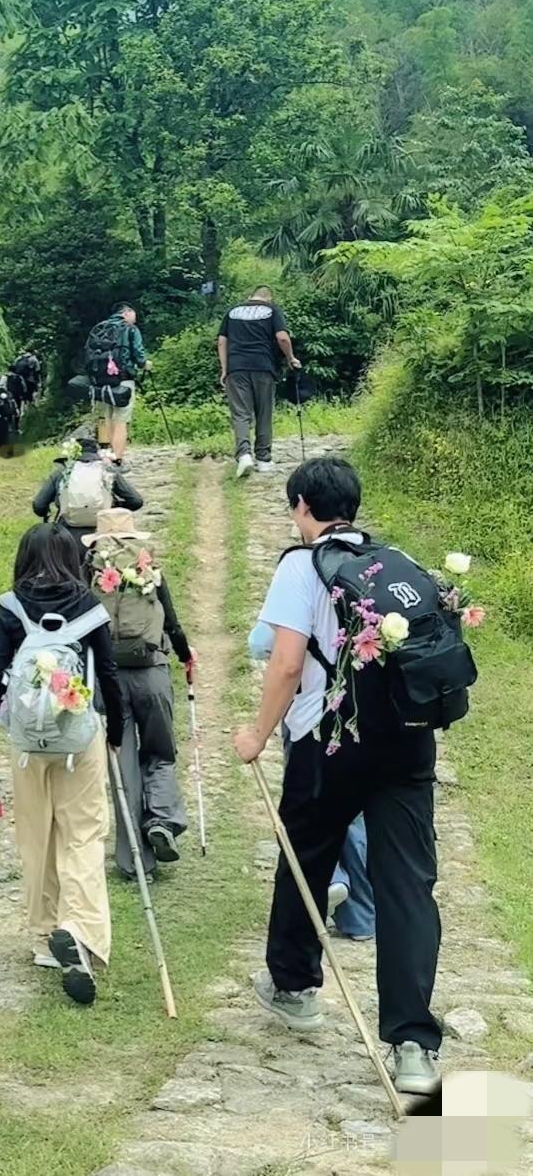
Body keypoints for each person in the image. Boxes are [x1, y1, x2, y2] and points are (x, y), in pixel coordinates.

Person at [233, 459, 442, 1097]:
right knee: (407, 884)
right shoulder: (394, 560)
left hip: (330, 740)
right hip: (406, 740)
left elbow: (286, 663)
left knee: (306, 856)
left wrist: (257, 735)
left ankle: (294, 988)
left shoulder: (301, 567)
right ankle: (413, 1045)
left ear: (302, 506)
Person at [0, 523, 124, 1006]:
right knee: (83, 834)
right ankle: (78, 930)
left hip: (27, 744)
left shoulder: (10, 606)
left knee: (36, 837)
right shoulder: (89, 606)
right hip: (78, 738)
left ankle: (44, 937)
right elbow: (109, 674)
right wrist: (117, 730)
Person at [249, 618, 375, 940]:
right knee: (354, 815)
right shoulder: (363, 595)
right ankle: (360, 918)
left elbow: (259, 643)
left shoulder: (301, 591)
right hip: (358, 709)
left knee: (312, 805)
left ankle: (331, 880)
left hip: (308, 716)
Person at [84, 509, 195, 874]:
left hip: (109, 681)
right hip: (151, 672)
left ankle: (134, 859)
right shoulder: (148, 568)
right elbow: (172, 622)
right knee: (160, 751)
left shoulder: (91, 572)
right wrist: (185, 655)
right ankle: (161, 820)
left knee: (123, 765)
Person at [217, 286, 301, 478]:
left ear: (250, 296)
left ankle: (244, 455)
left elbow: (222, 341)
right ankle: (263, 459)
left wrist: (225, 369)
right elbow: (282, 338)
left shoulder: (233, 311)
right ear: (269, 298)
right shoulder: (272, 310)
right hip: (263, 367)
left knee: (241, 414)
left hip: (236, 368)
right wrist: (290, 358)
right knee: (264, 412)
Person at [32, 435, 144, 550]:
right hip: (102, 531)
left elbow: (38, 505)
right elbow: (136, 501)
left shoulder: (62, 472)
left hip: (67, 532)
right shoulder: (107, 471)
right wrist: (114, 507)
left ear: (73, 454)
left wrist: (49, 511)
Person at [85, 303, 148, 463]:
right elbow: (139, 354)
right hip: (123, 379)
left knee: (108, 417)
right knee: (121, 419)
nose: (135, 318)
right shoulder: (129, 328)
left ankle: (110, 453)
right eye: (133, 314)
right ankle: (117, 458)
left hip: (100, 381)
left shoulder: (100, 328)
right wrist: (145, 364)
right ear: (127, 312)